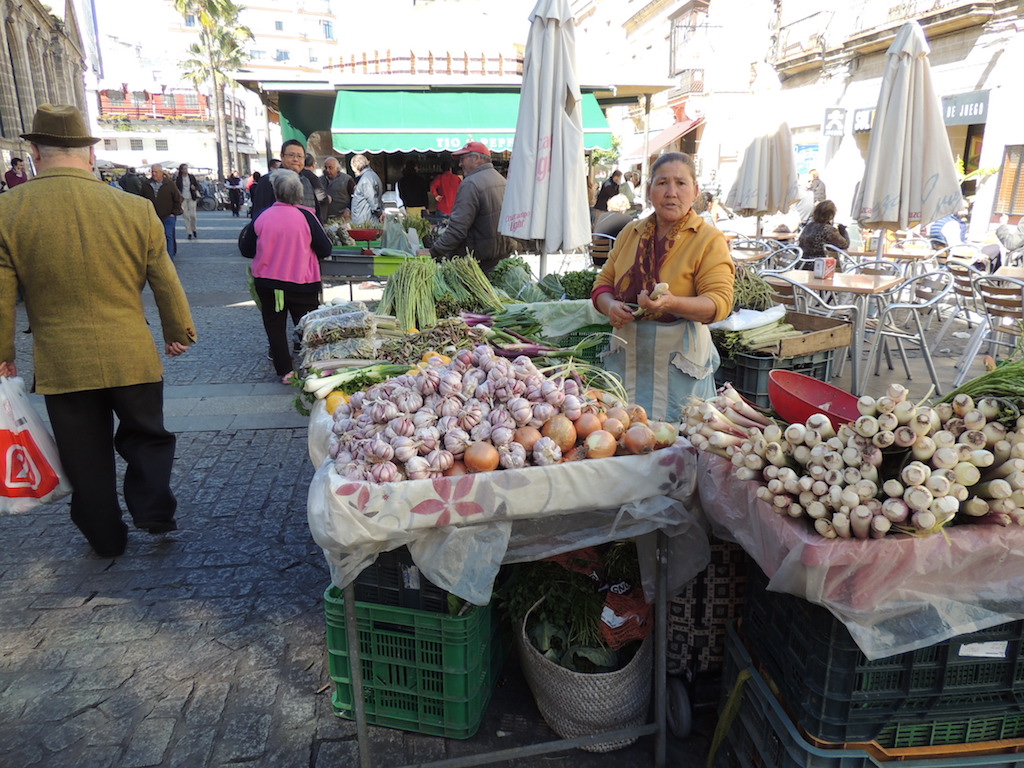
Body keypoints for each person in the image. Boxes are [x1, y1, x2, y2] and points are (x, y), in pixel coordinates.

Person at [0, 103, 196, 558]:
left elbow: (2, 294)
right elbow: (164, 278)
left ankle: (105, 536)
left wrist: (3, 354)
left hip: (63, 359)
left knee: (83, 452)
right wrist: (177, 331)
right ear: (89, 154)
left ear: (35, 152)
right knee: (147, 434)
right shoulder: (135, 208)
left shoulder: (8, 210)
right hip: (130, 349)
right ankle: (154, 510)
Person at [591, 152, 734, 419]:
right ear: (649, 191)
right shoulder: (630, 232)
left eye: (681, 183)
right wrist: (609, 306)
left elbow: (719, 303)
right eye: (662, 183)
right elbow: (603, 284)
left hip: (680, 368)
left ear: (695, 191)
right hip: (628, 358)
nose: (671, 192)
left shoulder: (708, 239)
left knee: (679, 434)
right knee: (623, 430)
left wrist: (671, 303)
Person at [238, 169, 332, 384]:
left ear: (276, 192)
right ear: (299, 193)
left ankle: (285, 371)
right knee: (308, 327)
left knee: (275, 327)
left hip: (268, 283)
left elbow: (246, 249)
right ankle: (314, 366)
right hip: (302, 283)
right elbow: (325, 248)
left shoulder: (262, 216)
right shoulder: (307, 216)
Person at [429, 141, 508, 275]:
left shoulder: (471, 183)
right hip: (500, 255)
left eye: (463, 159)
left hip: (478, 260)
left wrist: (434, 251)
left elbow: (457, 229)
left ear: (477, 158)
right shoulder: (501, 180)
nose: (460, 164)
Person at [250, 141, 315, 219]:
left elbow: (317, 213)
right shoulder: (269, 180)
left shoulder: (306, 181)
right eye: (291, 155)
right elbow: (259, 214)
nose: (295, 159)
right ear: (282, 156)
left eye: (300, 156)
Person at [141, 164, 184, 258]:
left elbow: (178, 198)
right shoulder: (146, 184)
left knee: (168, 235)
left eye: (156, 172)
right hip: (152, 216)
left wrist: (174, 212)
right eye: (152, 171)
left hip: (168, 216)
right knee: (153, 238)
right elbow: (142, 200)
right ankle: (156, 258)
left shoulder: (169, 184)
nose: (154, 174)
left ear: (161, 173)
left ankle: (169, 258)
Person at [350, 153, 383, 224]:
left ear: (355, 167)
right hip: (368, 219)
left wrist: (380, 214)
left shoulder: (366, 179)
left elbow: (373, 202)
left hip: (366, 221)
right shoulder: (370, 176)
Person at [322, 156, 355, 221]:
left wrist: (349, 209)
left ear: (337, 168)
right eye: (326, 167)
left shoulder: (347, 179)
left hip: (342, 217)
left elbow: (354, 197)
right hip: (325, 218)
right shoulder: (319, 180)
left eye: (330, 168)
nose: (327, 170)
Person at [175, 163, 201, 239]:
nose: (186, 170)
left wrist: (194, 188)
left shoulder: (191, 177)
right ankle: (189, 232)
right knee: (186, 216)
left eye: (187, 168)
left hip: (191, 197)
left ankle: (194, 229)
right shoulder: (179, 178)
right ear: (181, 170)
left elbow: (197, 186)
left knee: (193, 215)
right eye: (185, 169)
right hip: (183, 198)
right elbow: (176, 188)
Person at [302, 153, 328, 222]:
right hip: (312, 215)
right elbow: (321, 197)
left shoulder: (296, 175)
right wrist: (328, 198)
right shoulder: (312, 177)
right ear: (313, 165)